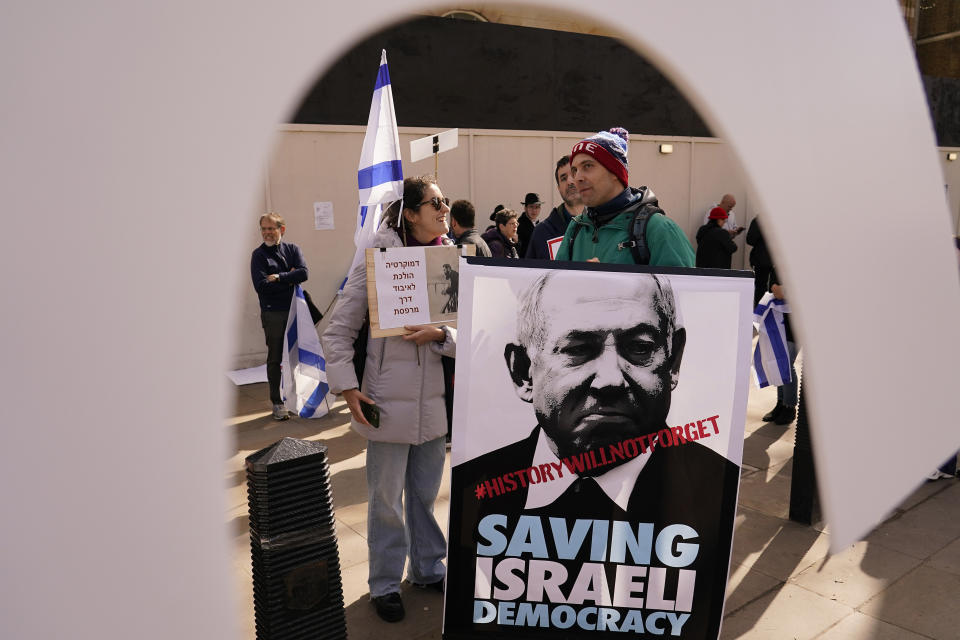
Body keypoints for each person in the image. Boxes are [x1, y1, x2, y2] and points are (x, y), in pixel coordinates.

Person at [446, 270, 739, 639]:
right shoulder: (477, 488)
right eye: (578, 349)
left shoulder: (715, 489)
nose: (611, 379)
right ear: (523, 372)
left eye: (640, 348)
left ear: (673, 359)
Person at [321, 176, 455, 623]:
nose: (443, 208)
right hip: (385, 405)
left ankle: (428, 568)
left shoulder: (449, 260)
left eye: (446, 201)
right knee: (384, 501)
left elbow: (473, 328)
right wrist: (345, 385)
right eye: (434, 202)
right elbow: (339, 329)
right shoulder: (377, 259)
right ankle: (383, 584)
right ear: (410, 212)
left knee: (425, 495)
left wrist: (441, 335)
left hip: (435, 405)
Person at [554, 127, 695, 267]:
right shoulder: (575, 228)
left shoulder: (660, 229)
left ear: (615, 172)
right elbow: (557, 287)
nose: (576, 178)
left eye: (588, 166)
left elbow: (683, 289)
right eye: (575, 170)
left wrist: (611, 285)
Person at [250, 212, 308, 420]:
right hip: (273, 314)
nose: (267, 233)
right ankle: (277, 401)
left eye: (271, 229)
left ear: (281, 229)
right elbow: (262, 286)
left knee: (296, 356)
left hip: (295, 311)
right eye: (264, 229)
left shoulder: (292, 249)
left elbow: (304, 273)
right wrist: (289, 280)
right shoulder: (259, 256)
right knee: (275, 358)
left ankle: (295, 397)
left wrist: (279, 277)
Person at [525, 155, 585, 260]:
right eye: (563, 178)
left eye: (573, 174)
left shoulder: (604, 225)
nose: (569, 181)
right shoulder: (542, 232)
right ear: (559, 188)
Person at [746, 216, 773, 306]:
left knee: (760, 287)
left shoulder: (759, 220)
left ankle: (760, 311)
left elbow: (750, 240)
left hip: (762, 258)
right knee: (776, 286)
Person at [516, 192, 543, 257]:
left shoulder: (539, 225)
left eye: (537, 207)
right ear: (525, 208)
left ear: (540, 209)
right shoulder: (519, 225)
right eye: (531, 207)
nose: (534, 210)